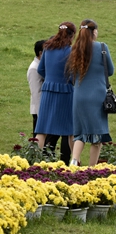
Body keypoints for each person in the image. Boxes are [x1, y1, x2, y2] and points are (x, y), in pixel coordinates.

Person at [66, 19, 114, 166]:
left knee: (80, 133)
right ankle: (91, 170)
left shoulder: (75, 49)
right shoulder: (102, 47)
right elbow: (110, 70)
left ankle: (74, 162)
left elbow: (70, 75)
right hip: (97, 96)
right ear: (93, 32)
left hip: (79, 95)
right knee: (97, 136)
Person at [35, 23, 76, 160]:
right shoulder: (71, 51)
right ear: (72, 35)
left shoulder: (48, 48)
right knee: (71, 130)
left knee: (42, 129)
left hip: (48, 91)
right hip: (66, 92)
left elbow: (40, 69)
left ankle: (35, 161)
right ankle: (75, 163)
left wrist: (50, 80)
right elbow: (73, 75)